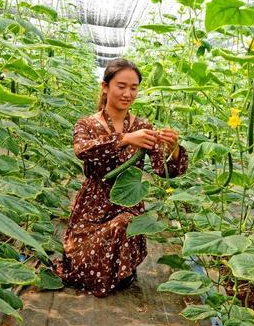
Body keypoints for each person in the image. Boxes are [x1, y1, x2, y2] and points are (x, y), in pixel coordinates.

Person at [51, 58, 188, 297]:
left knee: (126, 222)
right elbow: (82, 150)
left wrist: (173, 148)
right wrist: (124, 139)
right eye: (121, 86)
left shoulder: (143, 125)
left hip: (127, 202)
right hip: (92, 205)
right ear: (105, 86)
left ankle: (117, 270)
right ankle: (106, 269)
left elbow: (163, 170)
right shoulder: (86, 123)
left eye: (133, 88)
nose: (128, 93)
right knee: (79, 262)